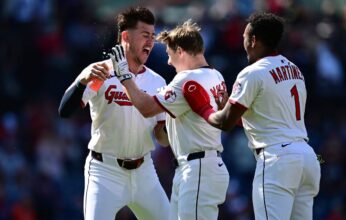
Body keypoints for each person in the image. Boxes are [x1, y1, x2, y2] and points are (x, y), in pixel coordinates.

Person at [184, 13, 321, 220]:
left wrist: (204, 108)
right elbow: (264, 120)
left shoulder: (252, 73)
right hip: (307, 158)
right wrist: (228, 107)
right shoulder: (295, 69)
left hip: (277, 160)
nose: (243, 42)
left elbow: (224, 123)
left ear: (254, 40)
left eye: (245, 37)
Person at [108, 20, 229, 220]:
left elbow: (146, 108)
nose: (169, 62)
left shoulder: (186, 80)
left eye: (170, 55)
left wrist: (124, 76)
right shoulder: (216, 75)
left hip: (198, 169)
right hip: (199, 166)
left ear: (180, 50)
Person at [58, 6, 170, 220]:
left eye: (153, 36)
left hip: (144, 171)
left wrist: (170, 129)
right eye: (145, 35)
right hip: (105, 171)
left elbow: (162, 139)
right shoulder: (100, 72)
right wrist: (82, 82)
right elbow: (65, 111)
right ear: (126, 36)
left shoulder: (157, 81)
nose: (150, 42)